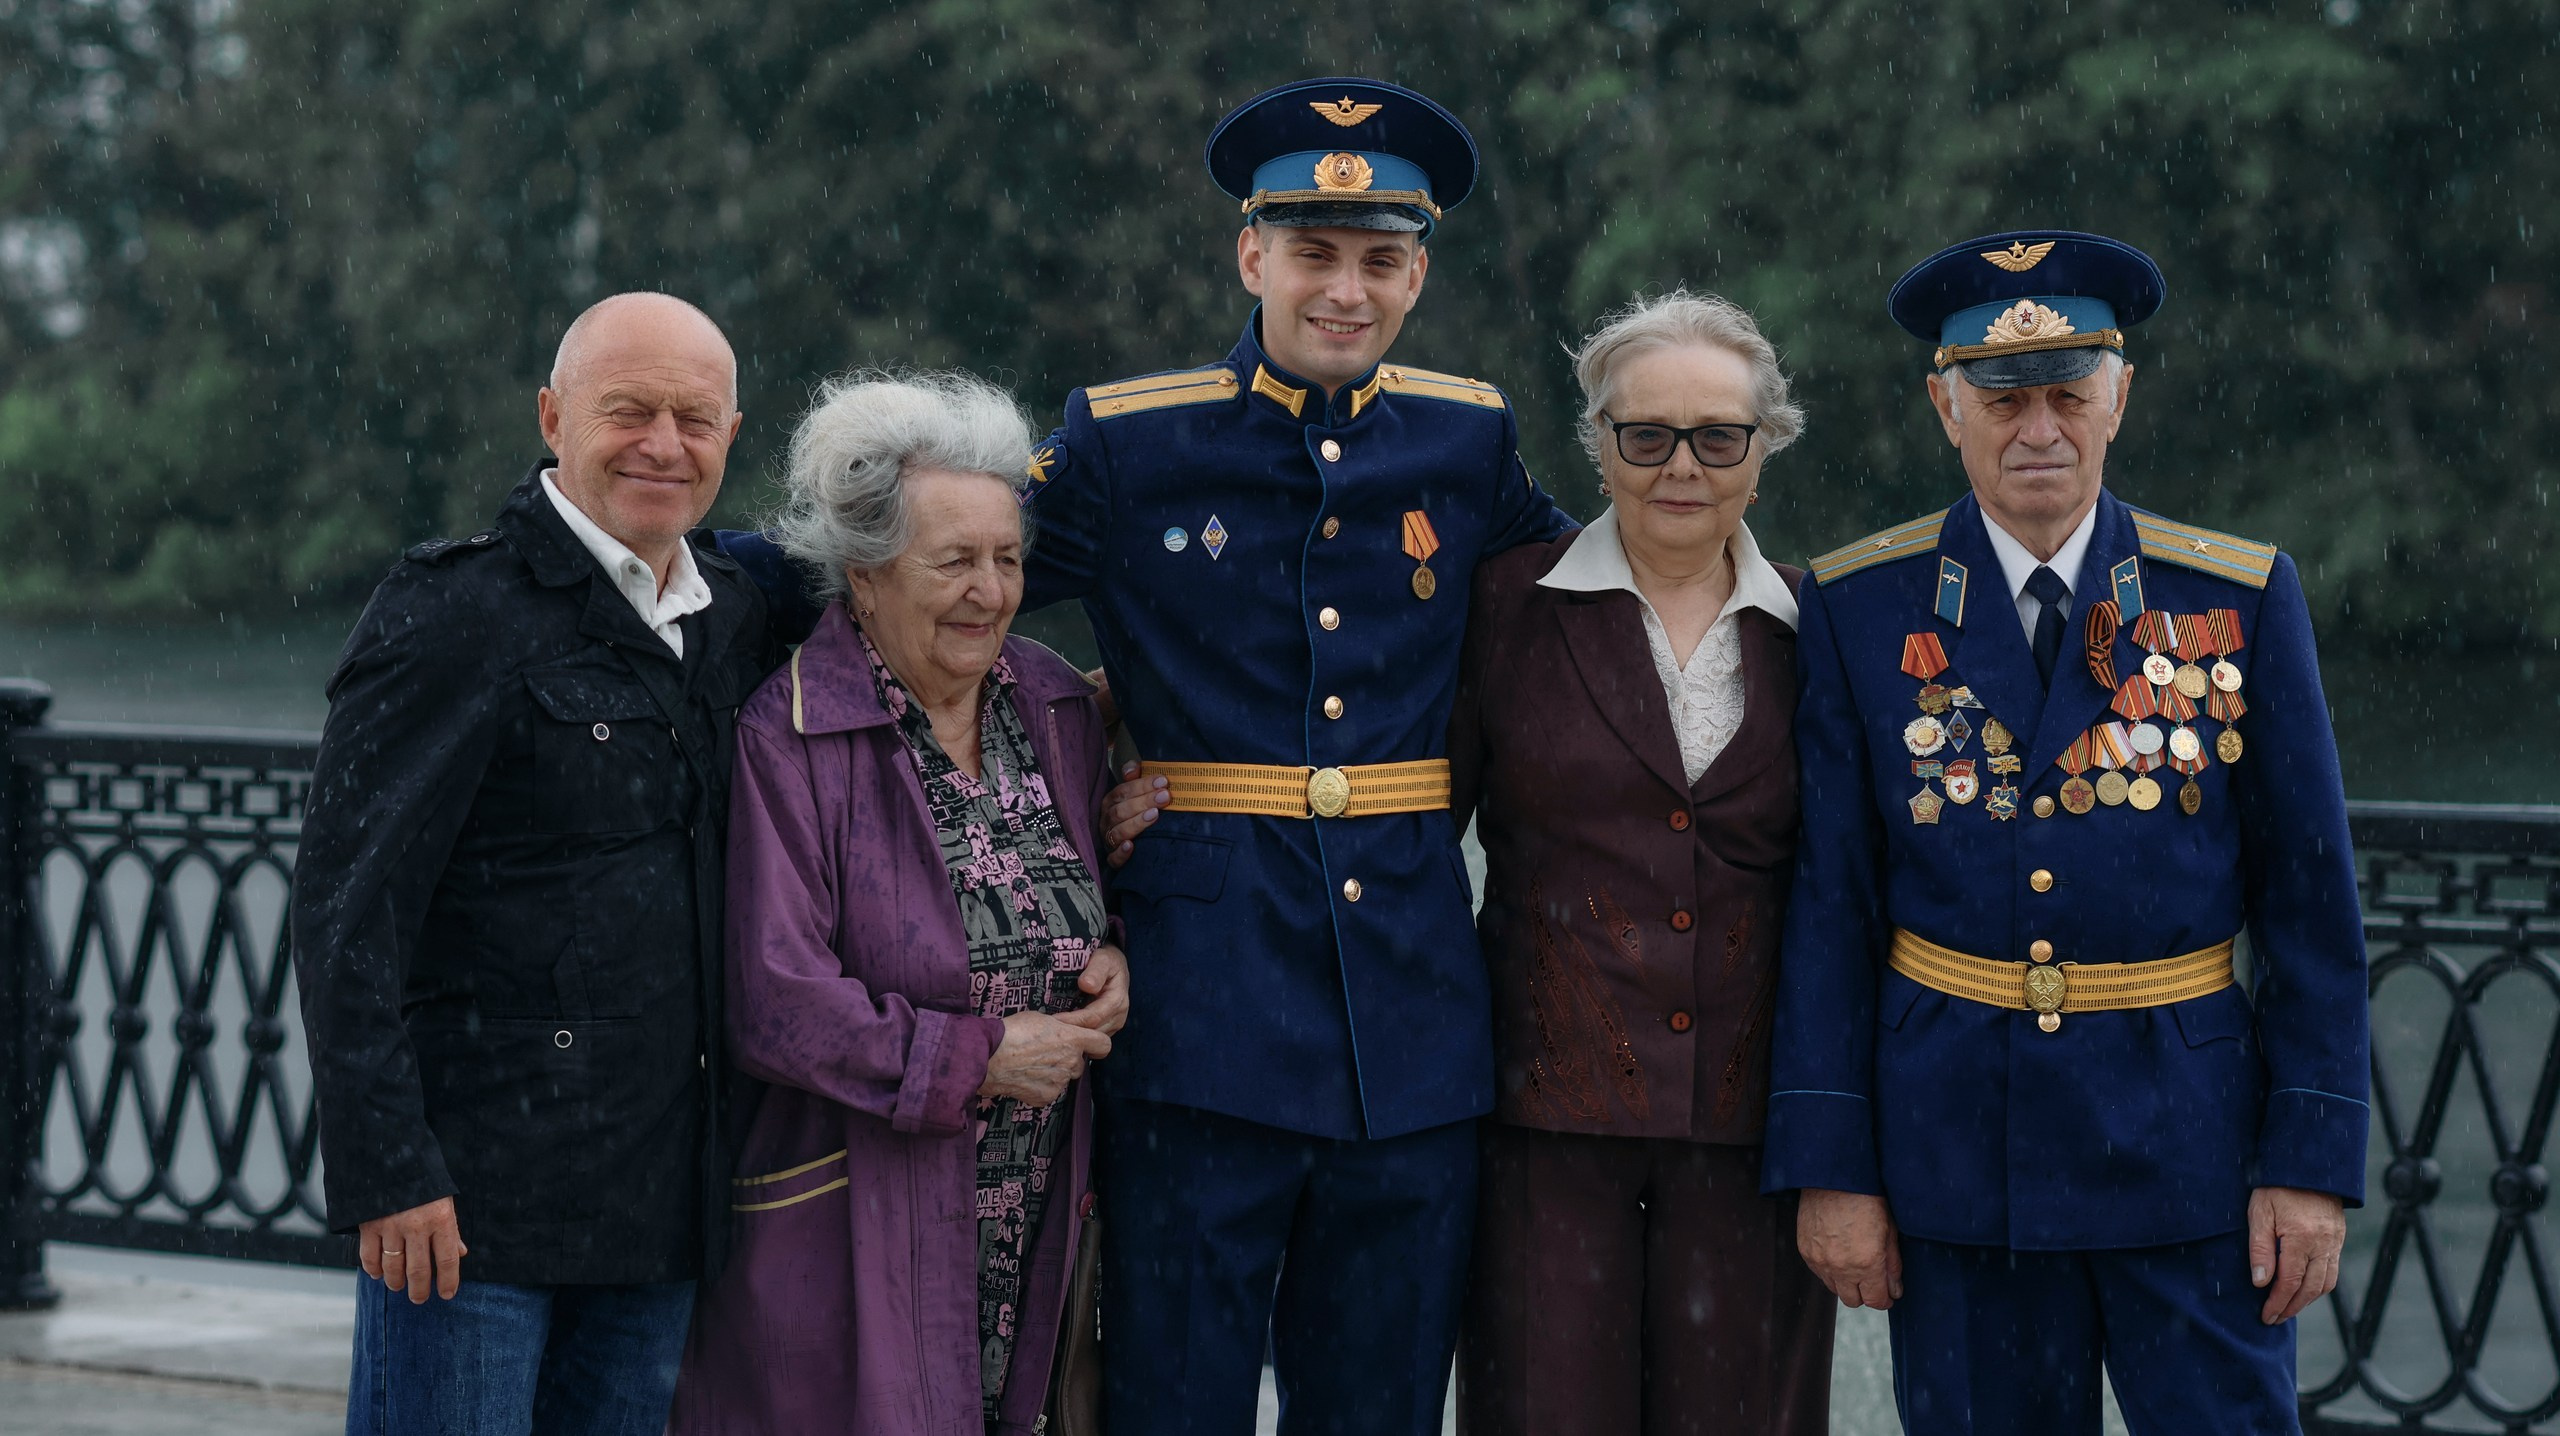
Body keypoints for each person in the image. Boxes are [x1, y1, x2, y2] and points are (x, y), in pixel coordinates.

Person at [1020, 76, 1574, 1434]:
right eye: (1314, 254)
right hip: (1202, 1004)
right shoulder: (1128, 438)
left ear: (1418, 272)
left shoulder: (1468, 433)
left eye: (1380, 261)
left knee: (1381, 1403)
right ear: (1249, 253)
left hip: (1415, 1011)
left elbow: (1592, 610)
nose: (1346, 289)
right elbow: (940, 597)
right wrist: (1070, 770)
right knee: (1176, 1394)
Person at [1762, 230, 2369, 1434]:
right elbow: (1831, 905)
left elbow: (2311, 907)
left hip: (2189, 1157)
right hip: (1957, 1162)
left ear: (2118, 397)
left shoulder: (2234, 599)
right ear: (1944, 405)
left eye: (2067, 394)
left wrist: (2307, 1161)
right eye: (2001, 398)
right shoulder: (1857, 607)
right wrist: (1833, 1164)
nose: (2038, 427)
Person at [292, 292, 776, 1435]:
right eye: (628, 410)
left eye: (695, 418)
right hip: (471, 1211)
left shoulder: (740, 616)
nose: (664, 442)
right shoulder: (454, 612)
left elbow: (907, 657)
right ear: (553, 416)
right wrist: (387, 1168)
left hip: (662, 1205)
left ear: (731, 437)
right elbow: (345, 909)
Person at [666, 371, 1131, 1434]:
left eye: (1008, 558)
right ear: (864, 574)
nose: (990, 590)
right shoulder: (785, 735)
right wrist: (979, 1057)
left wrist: (1115, 951)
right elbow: (775, 1000)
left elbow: (1090, 888)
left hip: (1032, 1207)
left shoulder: (1055, 702)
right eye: (954, 561)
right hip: (854, 1214)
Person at [1447, 291, 1833, 1436]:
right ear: (1598, 442)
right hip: (1541, 1132)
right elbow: (1397, 819)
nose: (1681, 464)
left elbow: (1858, 884)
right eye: (1643, 434)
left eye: (1718, 436)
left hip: (1757, 1136)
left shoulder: (1825, 629)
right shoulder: (1501, 607)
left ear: (1762, 448)